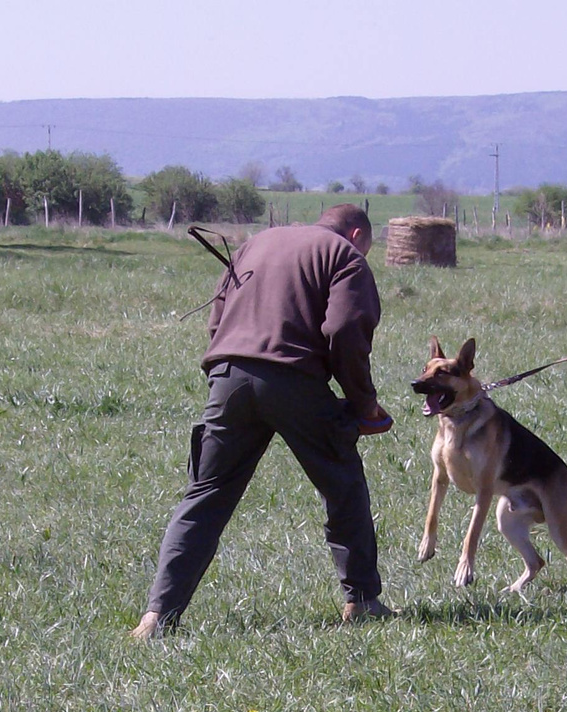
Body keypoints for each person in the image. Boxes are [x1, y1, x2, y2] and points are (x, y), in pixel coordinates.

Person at [131, 204, 395, 638]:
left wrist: (223, 375)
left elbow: (218, 318)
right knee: (343, 484)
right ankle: (363, 600)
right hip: (294, 380)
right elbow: (346, 329)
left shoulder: (256, 243)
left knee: (206, 494)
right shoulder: (344, 256)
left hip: (228, 377)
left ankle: (158, 616)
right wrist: (363, 404)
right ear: (355, 233)